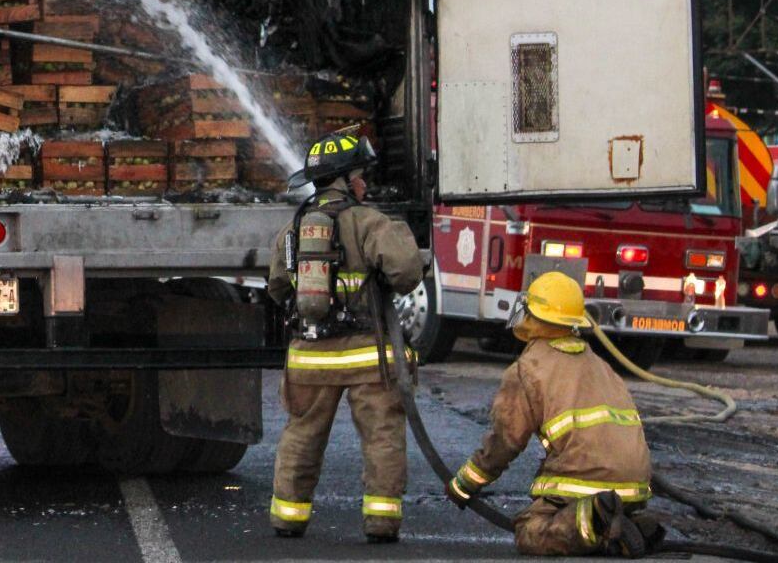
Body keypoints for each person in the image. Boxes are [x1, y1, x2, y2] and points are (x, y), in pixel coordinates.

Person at [267, 130, 424, 543]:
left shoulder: (294, 228)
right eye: (360, 175)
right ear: (346, 180)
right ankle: (382, 522)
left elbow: (277, 287)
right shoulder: (370, 221)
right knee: (382, 437)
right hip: (366, 357)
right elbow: (407, 274)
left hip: (309, 358)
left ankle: (288, 517)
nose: (365, 183)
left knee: (302, 434)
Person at [445, 271, 664, 557]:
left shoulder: (528, 369)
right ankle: (625, 523)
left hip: (583, 480)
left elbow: (505, 442)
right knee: (599, 509)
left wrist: (465, 483)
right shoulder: (599, 364)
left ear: (531, 315)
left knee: (530, 529)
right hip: (634, 483)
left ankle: (592, 521)